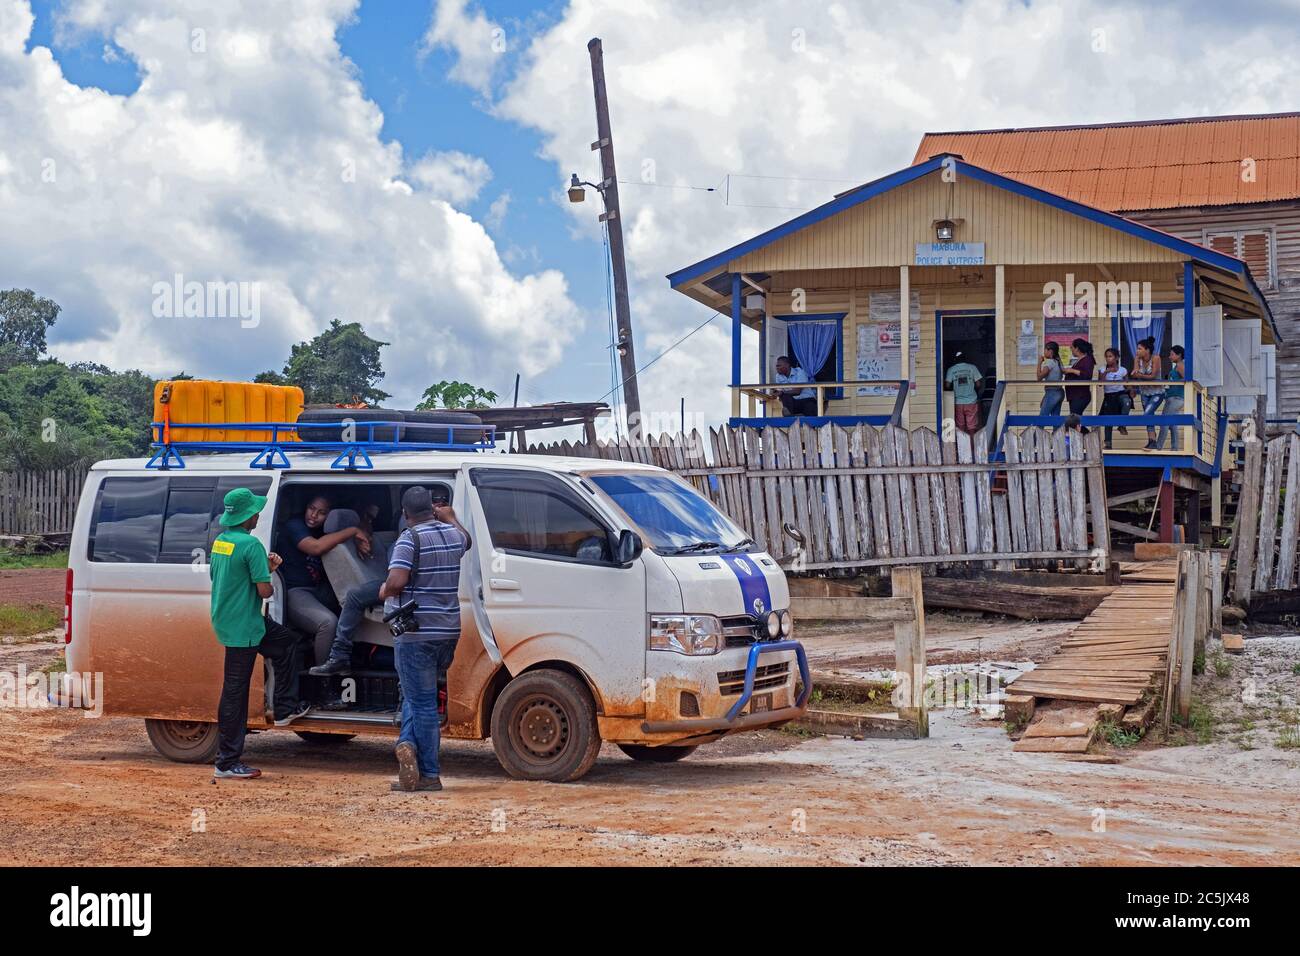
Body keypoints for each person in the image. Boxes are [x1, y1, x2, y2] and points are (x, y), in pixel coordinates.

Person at [209, 487, 310, 780]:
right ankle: (226, 762)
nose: (258, 515)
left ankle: (285, 708)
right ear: (247, 516)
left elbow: (227, 575)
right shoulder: (251, 545)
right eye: (255, 511)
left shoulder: (222, 541)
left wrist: (261, 569)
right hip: (246, 625)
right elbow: (265, 590)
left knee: (287, 643)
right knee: (234, 693)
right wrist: (270, 571)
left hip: (229, 619)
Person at [383, 486, 471, 793]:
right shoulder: (452, 534)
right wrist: (452, 517)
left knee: (421, 704)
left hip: (416, 634)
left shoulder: (410, 539)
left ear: (406, 514)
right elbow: (467, 540)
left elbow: (396, 582)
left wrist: (384, 591)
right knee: (417, 695)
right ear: (432, 509)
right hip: (448, 632)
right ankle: (407, 744)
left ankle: (430, 775)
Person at [280, 495, 373, 665]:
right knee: (328, 624)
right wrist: (353, 530)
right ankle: (323, 680)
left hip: (320, 590)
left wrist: (360, 533)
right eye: (311, 508)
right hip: (296, 591)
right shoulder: (295, 525)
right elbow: (315, 547)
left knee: (353, 612)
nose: (314, 515)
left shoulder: (328, 531)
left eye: (322, 513)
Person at [1130, 336, 1166, 449]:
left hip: (1157, 391)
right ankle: (1152, 441)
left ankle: (1153, 439)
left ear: (1147, 350)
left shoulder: (1156, 358)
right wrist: (1137, 375)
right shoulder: (1137, 359)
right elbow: (1135, 373)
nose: (1137, 351)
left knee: (1147, 414)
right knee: (1148, 415)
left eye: (1140, 348)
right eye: (1137, 348)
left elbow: (1153, 375)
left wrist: (1139, 375)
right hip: (1144, 391)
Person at [1098, 347, 1132, 449]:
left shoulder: (1123, 370)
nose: (1108, 359)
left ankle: (1122, 424)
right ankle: (1108, 444)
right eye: (1107, 357)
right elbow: (1100, 384)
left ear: (1116, 358)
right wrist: (1106, 372)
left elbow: (1127, 384)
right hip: (1109, 395)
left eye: (1110, 356)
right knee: (1108, 420)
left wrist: (1131, 390)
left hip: (1120, 393)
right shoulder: (1102, 369)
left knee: (1127, 401)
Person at [944, 352, 984, 436]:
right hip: (971, 401)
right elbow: (978, 384)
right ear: (965, 358)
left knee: (960, 425)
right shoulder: (972, 367)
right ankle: (972, 446)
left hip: (958, 401)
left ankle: (961, 445)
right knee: (972, 425)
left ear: (955, 360)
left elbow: (947, 385)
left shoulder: (951, 369)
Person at [1155, 345, 1186, 450]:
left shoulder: (1180, 365)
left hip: (1176, 398)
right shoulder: (1177, 366)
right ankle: (1174, 448)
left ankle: (1158, 447)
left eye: (1172, 354)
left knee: (1164, 421)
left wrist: (1174, 383)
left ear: (1179, 355)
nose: (1169, 356)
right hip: (1172, 397)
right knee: (1173, 424)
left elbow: (1186, 379)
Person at [1061, 338, 1096, 415]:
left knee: (1074, 420)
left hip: (1080, 395)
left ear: (1077, 348)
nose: (1071, 350)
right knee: (1076, 420)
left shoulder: (1087, 359)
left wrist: (1072, 370)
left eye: (1072, 348)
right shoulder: (1079, 360)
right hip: (1074, 395)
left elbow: (1087, 375)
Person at [1037, 342, 1065, 416]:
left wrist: (1039, 363)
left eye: (1045, 350)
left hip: (1052, 392)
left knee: (1042, 418)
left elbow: (1039, 377)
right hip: (1059, 391)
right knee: (1055, 419)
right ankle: (1057, 428)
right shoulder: (1058, 362)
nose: (1044, 352)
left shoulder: (1049, 362)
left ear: (1050, 351)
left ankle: (1039, 428)